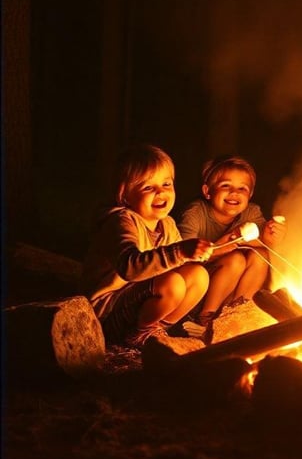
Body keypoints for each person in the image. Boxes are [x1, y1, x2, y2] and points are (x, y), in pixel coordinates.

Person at [82, 144, 214, 349]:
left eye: (166, 184)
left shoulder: (167, 224)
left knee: (198, 275)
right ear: (125, 195)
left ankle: (155, 330)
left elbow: (179, 265)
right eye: (148, 188)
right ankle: (136, 335)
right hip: (108, 312)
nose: (161, 192)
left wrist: (196, 253)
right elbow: (129, 267)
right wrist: (180, 252)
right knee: (173, 284)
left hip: (139, 305)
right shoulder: (121, 222)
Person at [178, 154, 287, 326]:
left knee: (261, 255)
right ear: (207, 191)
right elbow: (181, 259)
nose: (234, 193)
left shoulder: (251, 212)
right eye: (225, 185)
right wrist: (229, 240)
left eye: (242, 189)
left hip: (231, 294)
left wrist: (269, 238)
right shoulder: (195, 214)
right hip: (197, 294)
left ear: (250, 194)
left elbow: (263, 244)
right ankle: (205, 319)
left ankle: (236, 315)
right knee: (236, 260)